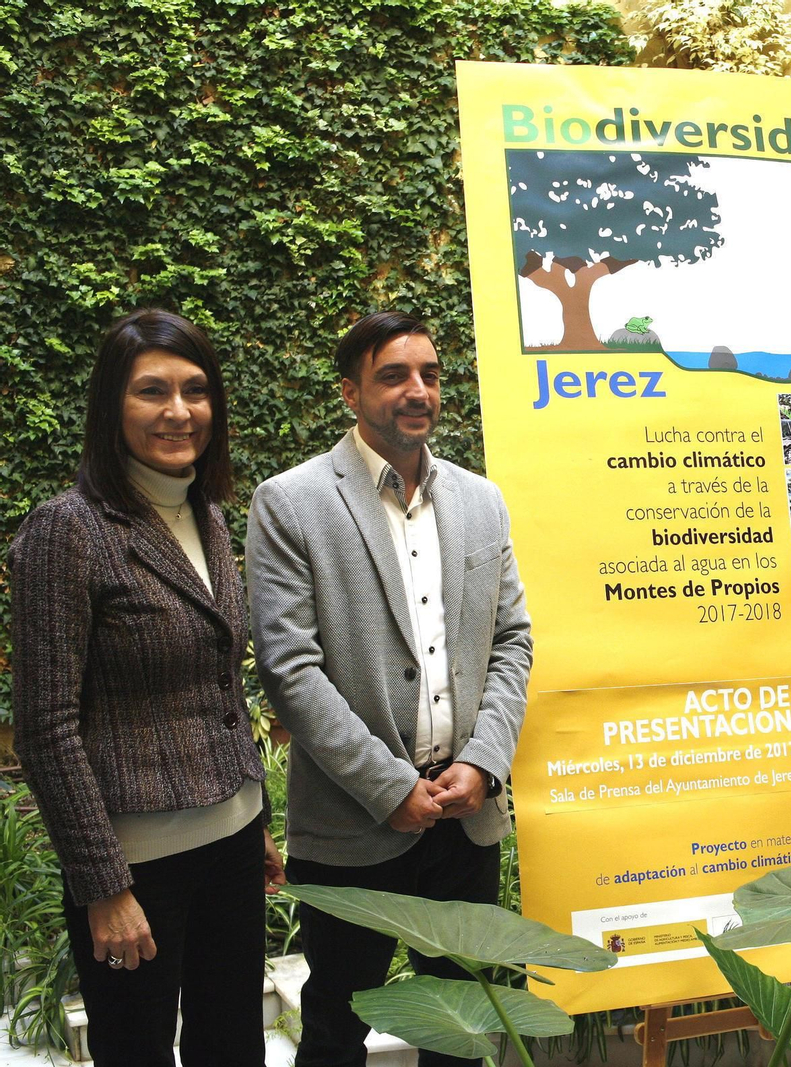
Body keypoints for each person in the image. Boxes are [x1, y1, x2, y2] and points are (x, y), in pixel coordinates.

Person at [246, 310, 532, 1067]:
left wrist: (484, 760)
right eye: (394, 375)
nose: (418, 390)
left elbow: (512, 639)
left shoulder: (481, 500)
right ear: (350, 391)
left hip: (465, 816)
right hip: (352, 825)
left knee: (466, 1023)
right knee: (338, 1026)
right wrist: (388, 785)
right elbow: (289, 667)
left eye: (430, 375)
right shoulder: (290, 502)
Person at [10, 309, 284, 1067]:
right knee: (136, 1052)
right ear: (111, 406)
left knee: (232, 1043)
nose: (178, 410)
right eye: (151, 390)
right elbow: (45, 726)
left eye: (196, 390)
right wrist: (103, 884)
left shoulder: (210, 515)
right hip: (134, 866)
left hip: (230, 841)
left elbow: (220, 680)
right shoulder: (67, 530)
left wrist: (250, 811)